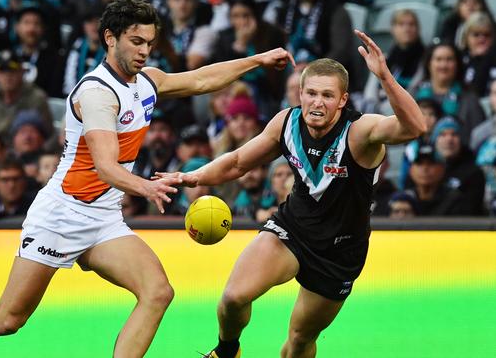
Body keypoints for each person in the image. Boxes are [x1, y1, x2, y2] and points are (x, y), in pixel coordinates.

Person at [0, 0, 294, 358]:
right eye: (136, 42)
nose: (144, 52)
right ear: (110, 38)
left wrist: (256, 59)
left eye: (150, 43)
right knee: (8, 319)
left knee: (157, 291)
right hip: (62, 215)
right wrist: (147, 186)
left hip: (103, 218)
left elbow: (200, 79)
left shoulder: (146, 81)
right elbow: (106, 166)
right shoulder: (96, 94)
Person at [158, 30, 426, 358]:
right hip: (292, 230)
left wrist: (384, 75)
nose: (317, 102)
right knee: (232, 299)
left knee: (298, 343)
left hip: (339, 253)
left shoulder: (361, 132)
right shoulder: (287, 122)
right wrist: (191, 176)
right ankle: (227, 351)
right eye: (311, 93)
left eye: (328, 95)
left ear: (342, 100)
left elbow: (414, 127)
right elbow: (238, 162)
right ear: (300, 93)